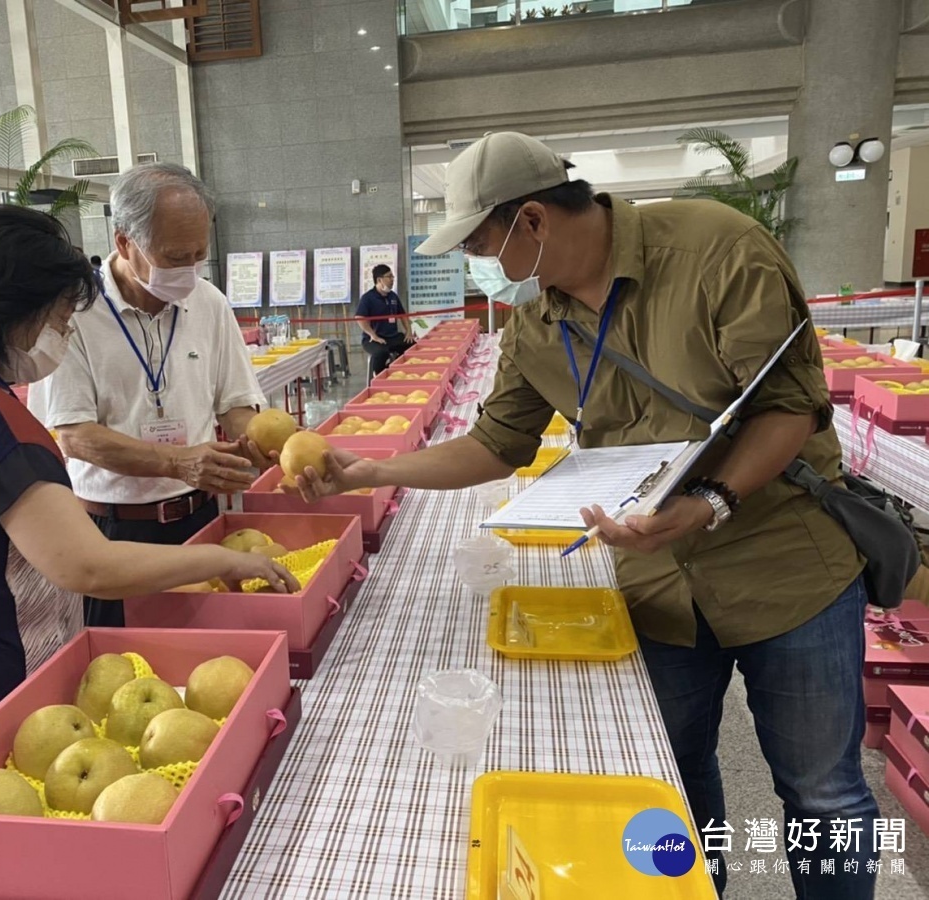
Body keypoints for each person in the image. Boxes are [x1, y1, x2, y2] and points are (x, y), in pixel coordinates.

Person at [293, 132, 879, 898]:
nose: (480, 264)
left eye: (480, 243)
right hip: (656, 578)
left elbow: (791, 407)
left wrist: (710, 502)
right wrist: (371, 471)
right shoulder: (538, 323)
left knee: (822, 794)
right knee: (677, 772)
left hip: (786, 565)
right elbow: (498, 444)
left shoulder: (716, 250)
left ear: (532, 220)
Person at [0, 206, 295, 789]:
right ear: (11, 311)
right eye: (58, 319)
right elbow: (87, 565)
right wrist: (227, 559)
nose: (64, 336)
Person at [32, 163, 275, 630]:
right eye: (175, 256)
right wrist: (176, 461)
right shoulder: (76, 312)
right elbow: (76, 436)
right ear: (125, 242)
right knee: (124, 665)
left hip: (200, 517)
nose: (189, 269)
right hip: (116, 531)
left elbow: (236, 405)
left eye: (199, 254)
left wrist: (261, 444)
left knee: (212, 656)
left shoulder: (208, 302)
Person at [355, 264, 414, 376]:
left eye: (393, 277)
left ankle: (401, 372)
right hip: (373, 339)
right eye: (389, 277)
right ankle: (380, 377)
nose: (392, 280)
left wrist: (409, 332)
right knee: (381, 353)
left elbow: (403, 315)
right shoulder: (368, 298)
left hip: (392, 337)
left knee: (412, 345)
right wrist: (373, 335)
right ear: (379, 280)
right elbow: (359, 318)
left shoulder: (393, 296)